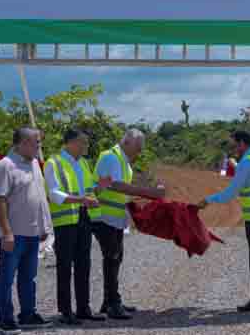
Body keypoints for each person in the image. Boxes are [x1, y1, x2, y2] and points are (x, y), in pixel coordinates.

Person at [197, 131, 250, 317]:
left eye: (234, 146)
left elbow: (229, 194)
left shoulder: (247, 162)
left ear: (242, 144)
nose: (233, 150)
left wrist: (207, 200)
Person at [94, 129, 166, 320]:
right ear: (127, 142)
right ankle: (112, 304)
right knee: (112, 258)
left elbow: (122, 191)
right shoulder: (112, 157)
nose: (140, 152)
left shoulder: (123, 161)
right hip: (103, 216)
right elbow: (116, 185)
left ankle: (110, 301)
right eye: (138, 147)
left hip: (115, 217)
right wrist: (149, 193)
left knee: (116, 258)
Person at [43, 128, 110, 325]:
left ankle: (83, 308)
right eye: (83, 142)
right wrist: (82, 199)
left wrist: (100, 188)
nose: (86, 146)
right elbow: (54, 194)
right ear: (70, 143)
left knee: (84, 264)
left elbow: (89, 192)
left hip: (84, 217)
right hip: (65, 221)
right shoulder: (53, 163)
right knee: (65, 266)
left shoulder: (83, 163)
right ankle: (65, 311)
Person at [0, 127, 54, 334]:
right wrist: (7, 232)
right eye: (36, 142)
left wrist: (44, 225)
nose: (39, 146)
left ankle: (28, 314)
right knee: (6, 278)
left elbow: (38, 196)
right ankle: (5, 318)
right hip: (14, 234)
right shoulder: (5, 166)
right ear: (23, 143)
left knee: (29, 277)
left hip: (32, 233)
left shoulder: (35, 163)